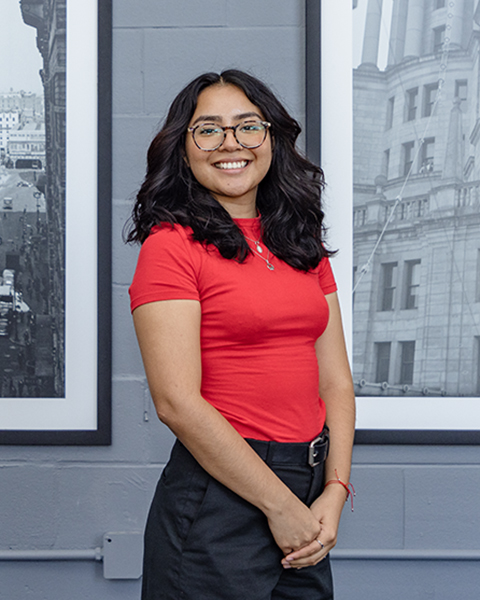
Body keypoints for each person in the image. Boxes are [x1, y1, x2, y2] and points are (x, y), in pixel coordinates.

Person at [127, 69, 355, 600]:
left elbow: (337, 383)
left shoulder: (301, 244)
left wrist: (334, 492)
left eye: (248, 126)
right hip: (220, 498)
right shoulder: (171, 247)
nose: (231, 143)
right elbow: (176, 403)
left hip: (309, 485)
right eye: (208, 129)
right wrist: (280, 506)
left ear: (271, 137)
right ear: (183, 149)